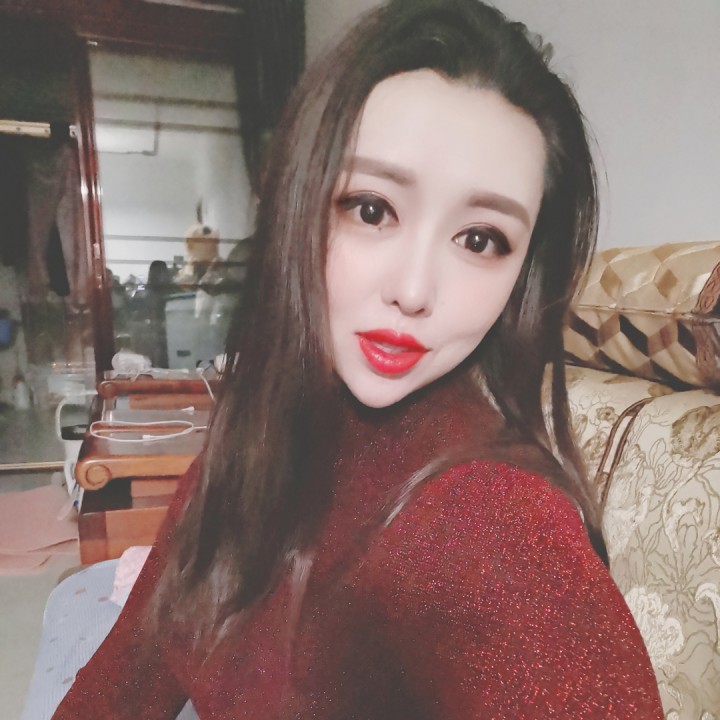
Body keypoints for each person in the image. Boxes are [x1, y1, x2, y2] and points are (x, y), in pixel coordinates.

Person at [53, 0, 663, 717]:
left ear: (522, 272)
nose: (414, 291)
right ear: (300, 201)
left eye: (480, 240)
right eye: (371, 209)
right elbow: (119, 686)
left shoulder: (496, 525)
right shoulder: (257, 438)